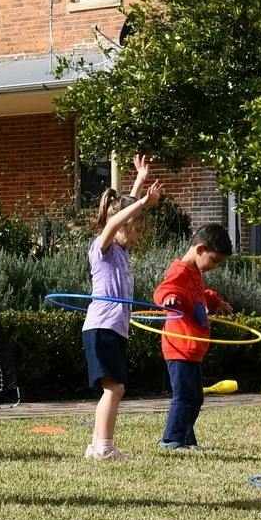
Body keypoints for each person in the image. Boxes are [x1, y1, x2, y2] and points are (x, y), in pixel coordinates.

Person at [82, 156, 161, 461]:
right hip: (102, 327)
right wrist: (142, 200)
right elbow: (115, 221)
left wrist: (139, 181)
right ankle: (104, 448)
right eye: (137, 231)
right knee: (114, 389)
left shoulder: (122, 251)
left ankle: (95, 446)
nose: (139, 237)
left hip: (113, 328)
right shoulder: (101, 249)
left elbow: (121, 215)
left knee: (114, 389)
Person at [154, 223, 233, 453]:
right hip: (179, 345)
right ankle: (170, 440)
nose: (216, 266)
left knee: (195, 397)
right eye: (215, 260)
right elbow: (163, 289)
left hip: (194, 347)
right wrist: (168, 298)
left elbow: (198, 296)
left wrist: (214, 300)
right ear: (200, 249)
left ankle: (186, 439)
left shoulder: (196, 272)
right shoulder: (179, 270)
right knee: (184, 396)